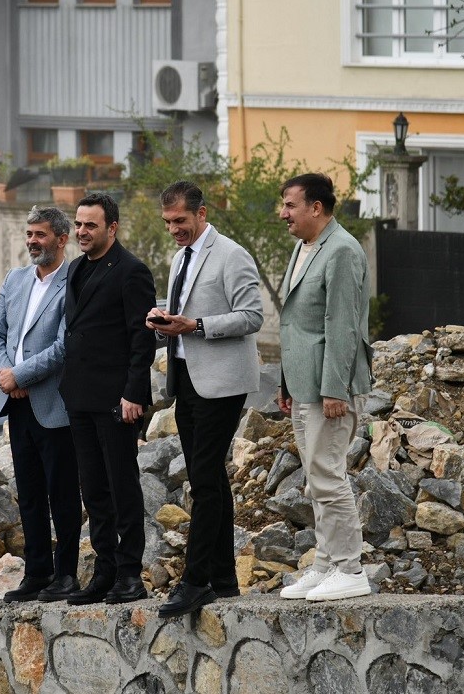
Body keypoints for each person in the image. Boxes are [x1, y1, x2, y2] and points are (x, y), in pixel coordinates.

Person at [146, 181, 264, 618]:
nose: (173, 229)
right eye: (167, 222)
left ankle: (195, 582)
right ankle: (224, 579)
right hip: (186, 381)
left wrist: (195, 326)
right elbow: (183, 313)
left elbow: (252, 315)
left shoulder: (232, 254)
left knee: (204, 481)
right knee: (209, 476)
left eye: (180, 220)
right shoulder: (180, 257)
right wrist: (162, 320)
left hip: (222, 384)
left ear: (201, 213)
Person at [276, 173, 373, 602]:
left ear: (316, 207)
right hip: (304, 385)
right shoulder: (305, 246)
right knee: (316, 478)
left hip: (329, 388)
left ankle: (350, 569)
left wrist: (335, 389)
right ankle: (326, 564)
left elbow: (342, 325)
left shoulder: (342, 251)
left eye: (290, 205)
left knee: (328, 476)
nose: (283, 213)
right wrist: (286, 381)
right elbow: (296, 323)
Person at [59, 193, 157, 605]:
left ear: (112, 228)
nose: (81, 232)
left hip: (116, 400)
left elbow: (142, 337)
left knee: (122, 486)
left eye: (90, 225)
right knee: (94, 489)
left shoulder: (132, 271)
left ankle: (130, 574)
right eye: (79, 224)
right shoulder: (76, 268)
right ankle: (105, 571)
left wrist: (134, 393)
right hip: (79, 395)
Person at [0, 206, 81, 603]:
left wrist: (20, 376)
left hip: (54, 404)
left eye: (40, 234)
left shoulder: (74, 281)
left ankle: (67, 574)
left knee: (62, 494)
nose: (32, 241)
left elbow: (64, 346)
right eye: (29, 234)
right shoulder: (16, 278)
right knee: (29, 493)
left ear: (61, 239)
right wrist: (5, 373)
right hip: (17, 405)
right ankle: (36, 573)